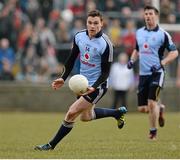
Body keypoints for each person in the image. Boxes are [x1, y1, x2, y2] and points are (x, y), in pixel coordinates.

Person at [34, 10, 127, 151]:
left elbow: (106, 72)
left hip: (98, 85)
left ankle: (50, 145)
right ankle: (117, 113)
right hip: (82, 83)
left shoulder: (106, 44)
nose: (92, 26)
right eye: (90, 22)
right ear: (86, 23)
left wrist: (94, 87)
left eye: (96, 23)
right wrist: (62, 78)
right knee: (86, 117)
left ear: (102, 24)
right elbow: (71, 60)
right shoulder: (79, 36)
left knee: (71, 112)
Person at [127, 5, 178, 140]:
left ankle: (153, 132)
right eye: (146, 14)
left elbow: (174, 52)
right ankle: (160, 108)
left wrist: (162, 63)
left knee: (151, 102)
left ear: (156, 16)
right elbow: (137, 49)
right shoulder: (139, 32)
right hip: (143, 75)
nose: (148, 16)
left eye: (150, 13)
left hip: (157, 73)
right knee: (142, 108)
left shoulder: (163, 34)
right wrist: (132, 60)